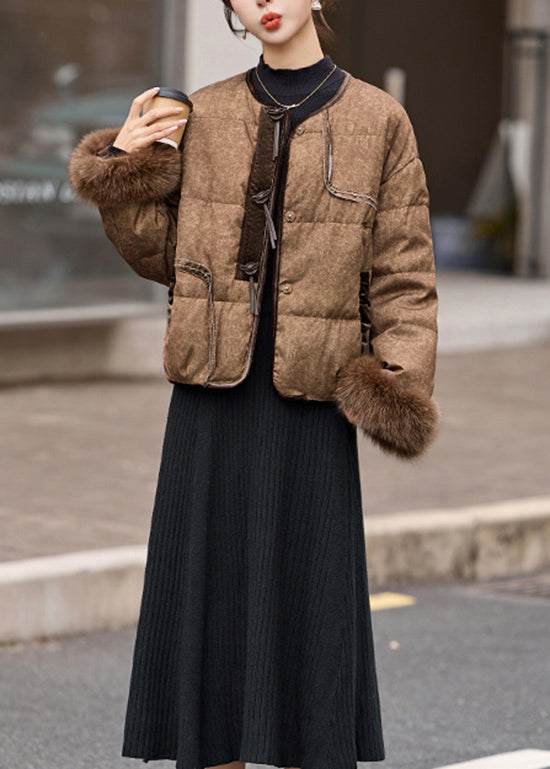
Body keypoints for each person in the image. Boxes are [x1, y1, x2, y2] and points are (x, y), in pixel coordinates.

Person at [68, 1, 441, 767]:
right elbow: (162, 256)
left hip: (312, 399)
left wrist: (396, 382)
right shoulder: (204, 113)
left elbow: (404, 274)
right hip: (210, 399)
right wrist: (125, 169)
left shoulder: (380, 120)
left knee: (310, 616)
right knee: (209, 622)